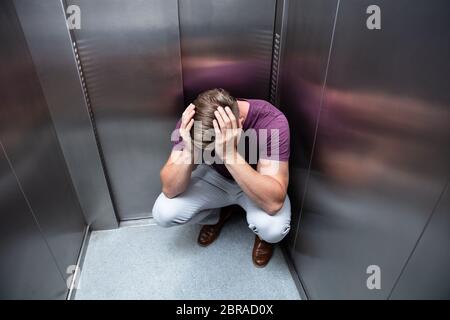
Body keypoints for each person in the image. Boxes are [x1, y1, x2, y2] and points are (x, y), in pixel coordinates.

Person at [152, 88, 291, 267]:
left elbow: (273, 203)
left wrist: (228, 154)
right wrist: (189, 149)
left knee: (273, 230)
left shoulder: (271, 121)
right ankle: (216, 215)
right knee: (163, 212)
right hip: (214, 179)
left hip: (254, 181)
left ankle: (261, 235)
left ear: (239, 123)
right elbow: (170, 190)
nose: (211, 152)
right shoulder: (194, 119)